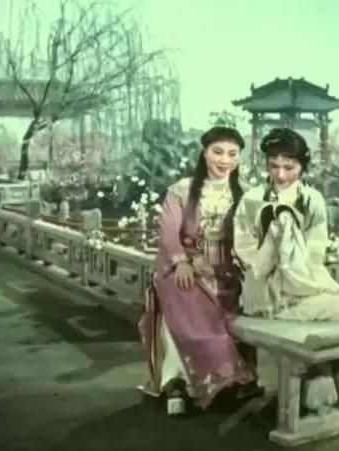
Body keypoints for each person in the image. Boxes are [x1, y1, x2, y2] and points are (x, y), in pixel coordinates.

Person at [233, 127, 339, 417]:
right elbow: (248, 257)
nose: (280, 175)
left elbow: (314, 256)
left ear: (302, 167)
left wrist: (293, 253)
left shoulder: (313, 200)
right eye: (274, 165)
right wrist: (273, 240)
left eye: (289, 167)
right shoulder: (252, 200)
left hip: (303, 284)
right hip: (266, 292)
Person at [138, 126, 259, 414]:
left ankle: (227, 382)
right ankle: (181, 384)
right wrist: (180, 261)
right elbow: (168, 231)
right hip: (187, 268)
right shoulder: (181, 190)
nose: (224, 160)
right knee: (183, 295)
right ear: (204, 153)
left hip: (227, 271)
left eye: (232, 154)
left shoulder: (246, 194)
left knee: (241, 306)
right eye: (217, 152)